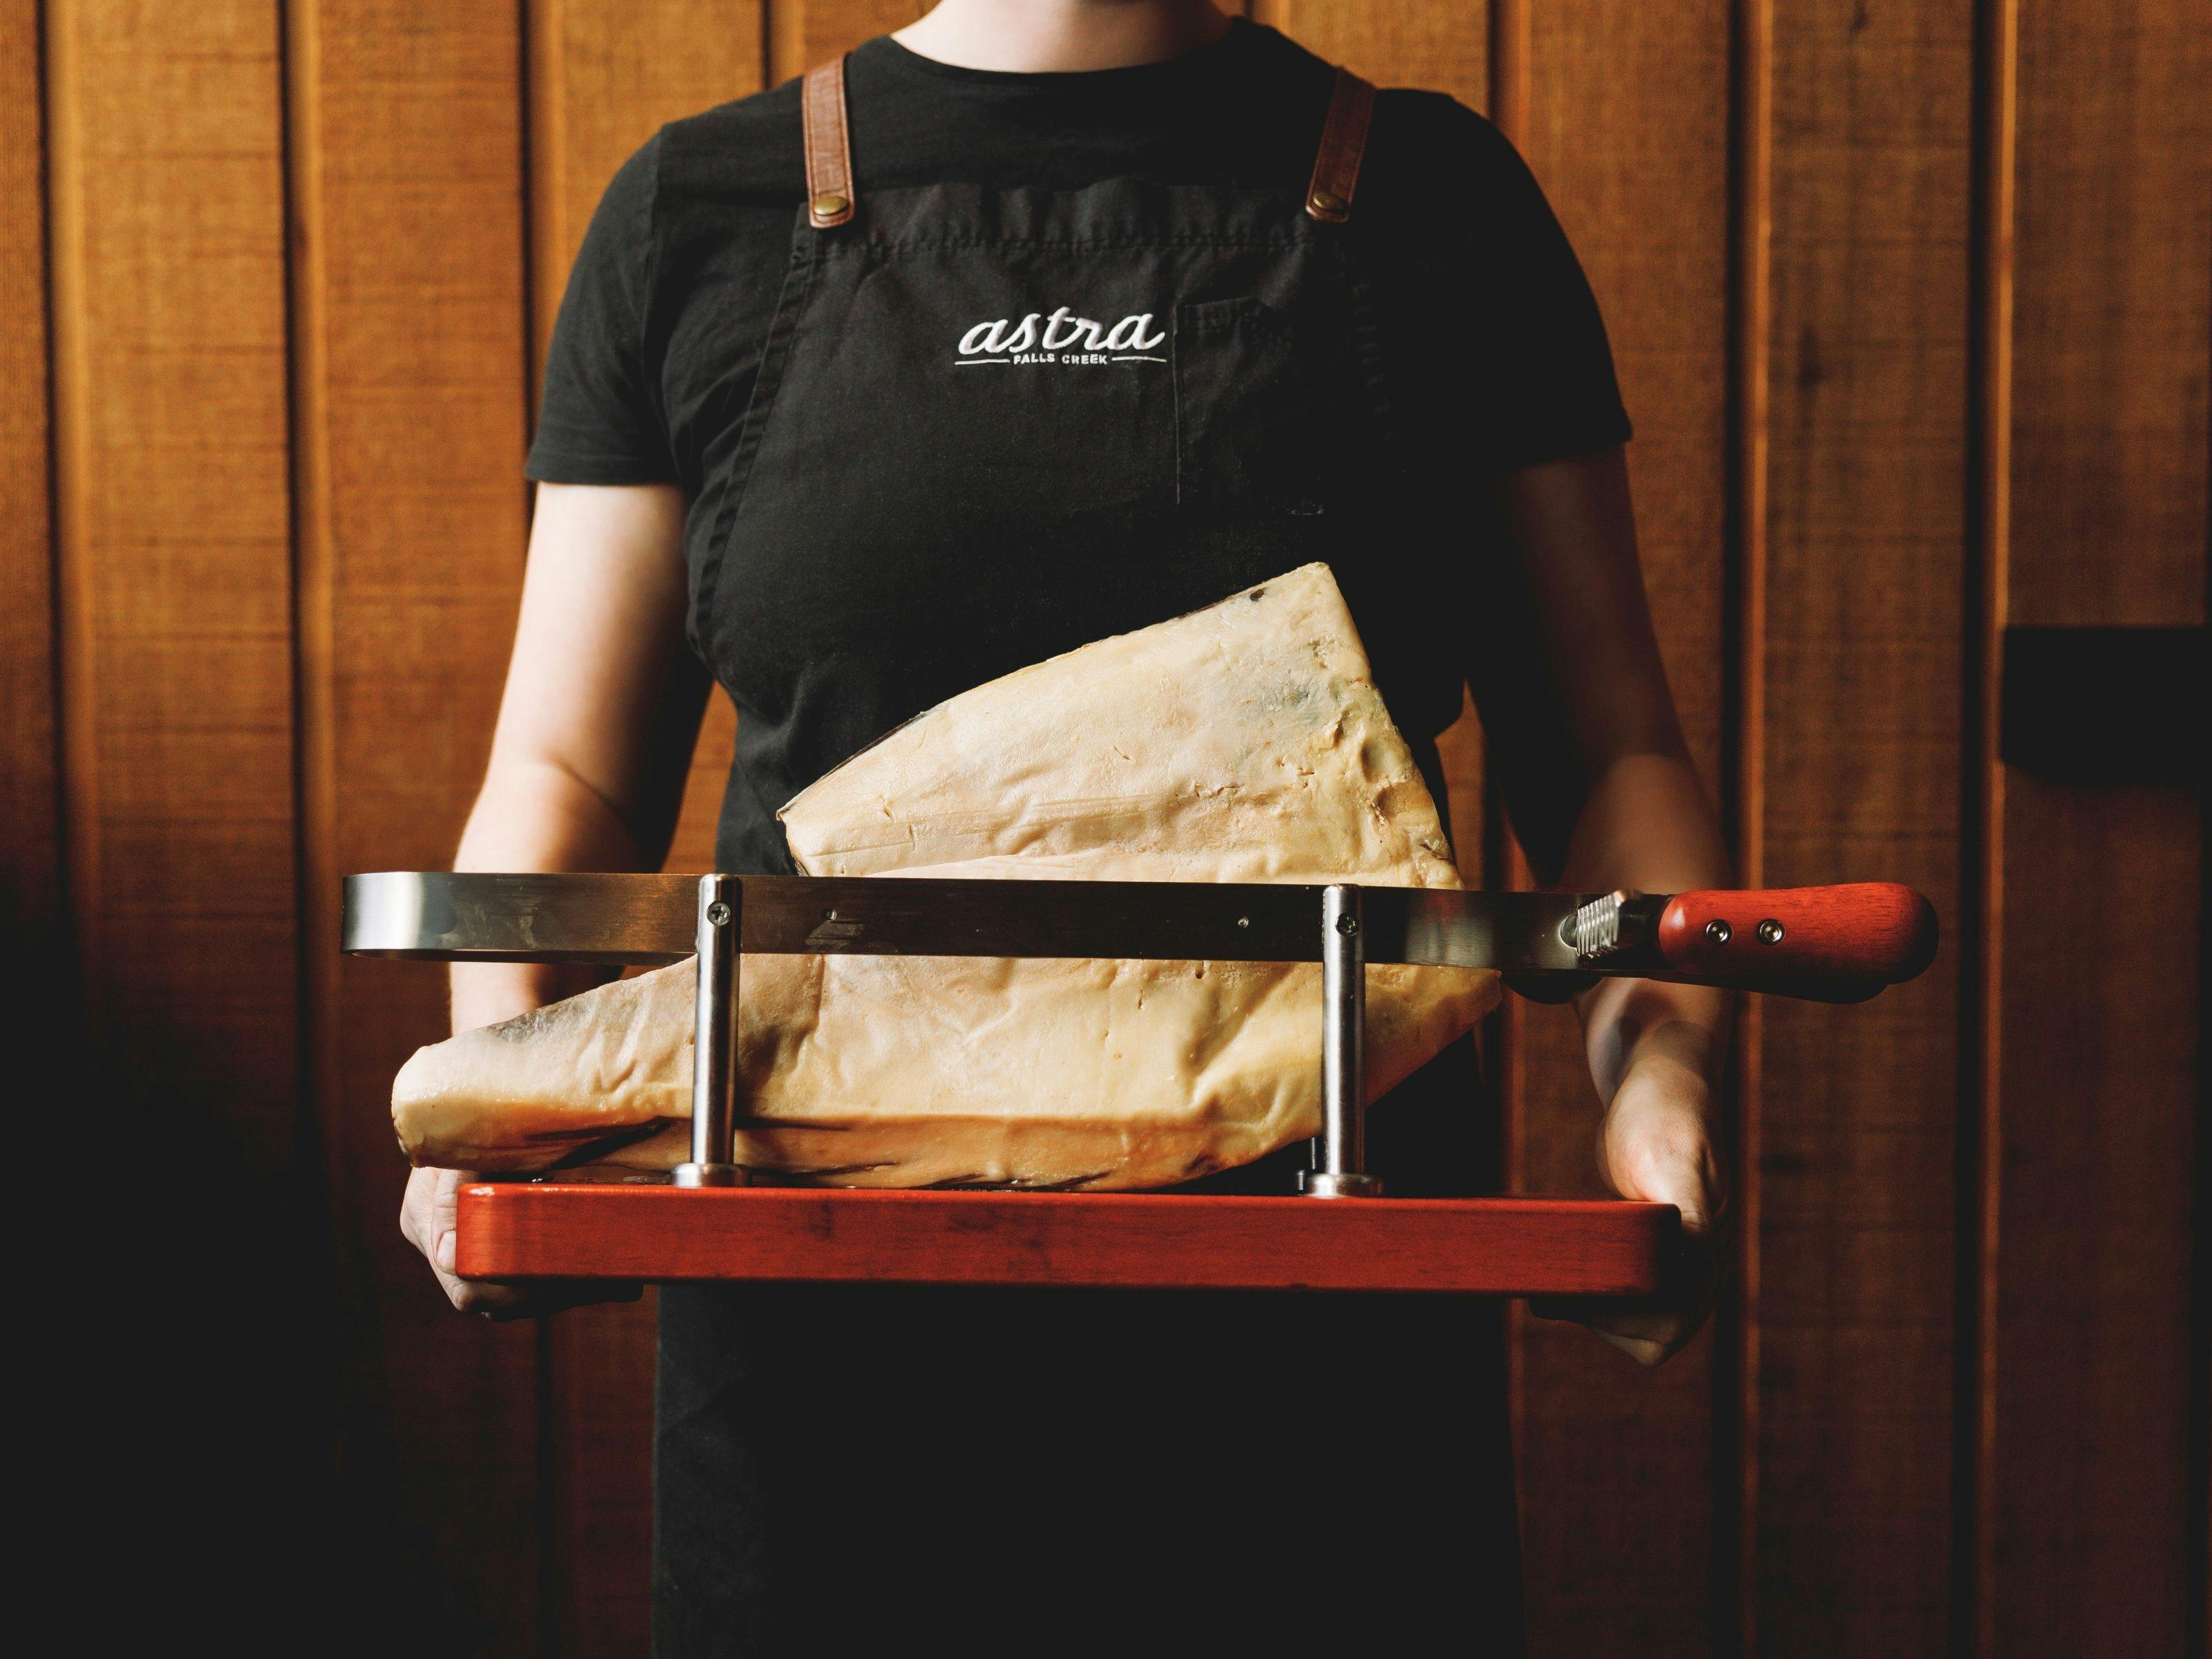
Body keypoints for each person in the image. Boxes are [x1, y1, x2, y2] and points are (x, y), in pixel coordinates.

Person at [399, 1, 1731, 1647]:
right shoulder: (703, 207)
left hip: (1321, 1332)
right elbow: (567, 776)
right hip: (819, 1344)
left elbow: (1607, 758)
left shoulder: (1432, 202)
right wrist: (494, 1110)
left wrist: (1656, 1079)